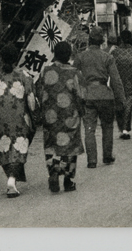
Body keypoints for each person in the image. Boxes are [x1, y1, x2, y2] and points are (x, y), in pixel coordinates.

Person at [0, 43, 38, 198]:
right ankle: (12, 179)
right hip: (20, 118)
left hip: (0, 119)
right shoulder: (25, 76)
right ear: (17, 58)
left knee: (4, 146)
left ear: (1, 59)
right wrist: (34, 118)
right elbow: (31, 101)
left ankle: (11, 177)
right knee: (18, 147)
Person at [34, 41, 83, 193]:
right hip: (69, 115)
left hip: (50, 115)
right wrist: (81, 111)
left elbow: (38, 91)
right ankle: (68, 180)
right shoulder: (75, 72)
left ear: (54, 54)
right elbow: (80, 95)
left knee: (51, 144)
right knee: (70, 145)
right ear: (69, 55)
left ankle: (54, 171)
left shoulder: (45, 71)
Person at [73, 28, 125, 168]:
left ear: (89, 40)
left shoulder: (80, 57)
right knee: (107, 126)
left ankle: (92, 160)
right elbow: (116, 80)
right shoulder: (107, 57)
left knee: (89, 128)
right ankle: (107, 156)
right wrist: (121, 98)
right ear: (102, 41)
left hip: (88, 95)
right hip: (105, 95)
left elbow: (73, 75)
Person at [109, 30, 132, 139]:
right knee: (128, 104)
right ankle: (125, 128)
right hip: (130, 81)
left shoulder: (115, 52)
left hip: (117, 81)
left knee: (119, 104)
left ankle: (121, 127)